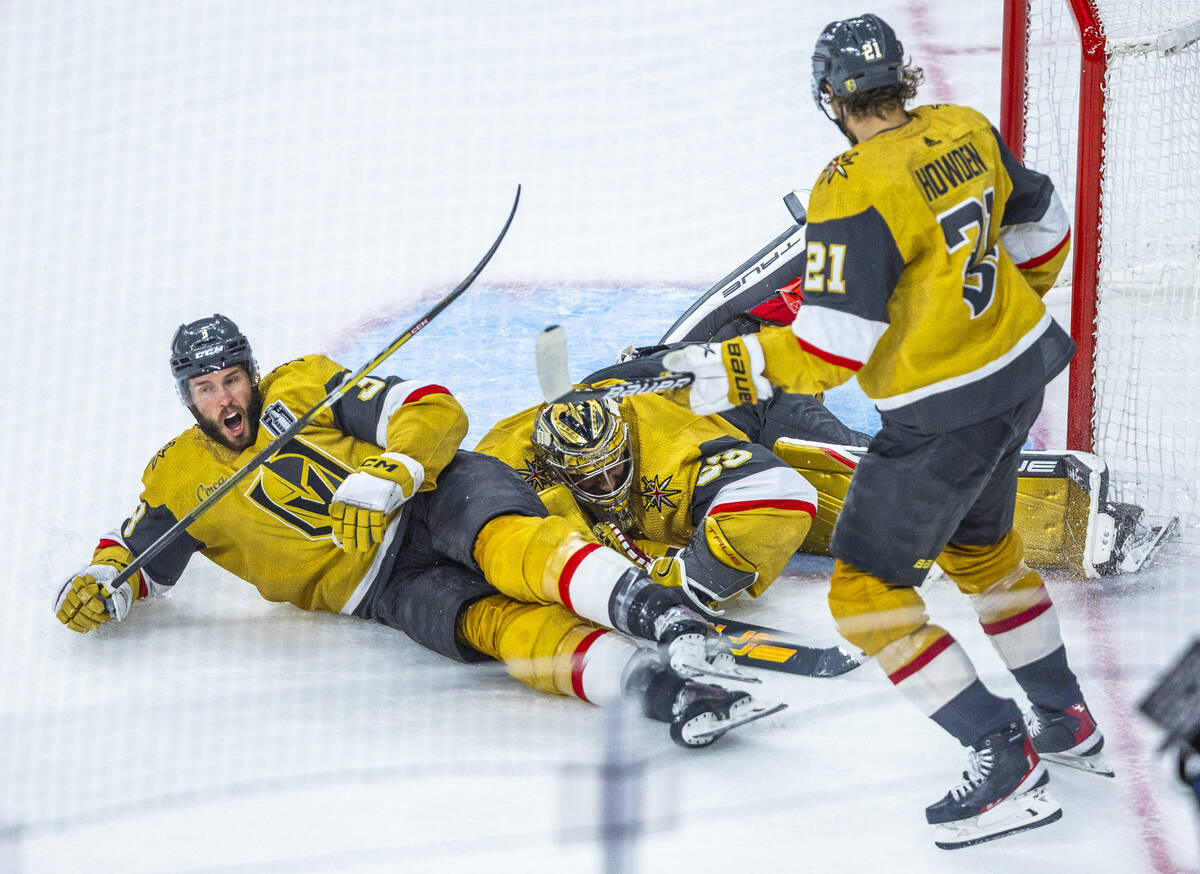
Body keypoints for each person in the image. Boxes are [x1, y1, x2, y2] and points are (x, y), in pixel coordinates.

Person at [662, 13, 1111, 846]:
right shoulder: (967, 129)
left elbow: (831, 352)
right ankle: (1067, 720)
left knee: (866, 595)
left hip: (943, 416)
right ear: (904, 79)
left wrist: (721, 370)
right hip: (1017, 381)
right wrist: (995, 314)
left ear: (830, 99)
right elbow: (1044, 230)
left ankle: (1005, 761)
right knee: (982, 554)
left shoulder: (853, 184)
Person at [52, 313, 781, 748]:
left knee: (511, 548)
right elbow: (141, 557)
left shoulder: (305, 383)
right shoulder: (181, 477)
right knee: (494, 628)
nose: (225, 398)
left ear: (251, 371)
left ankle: (669, 617)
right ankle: (673, 698)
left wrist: (394, 469)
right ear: (188, 398)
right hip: (381, 589)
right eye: (206, 389)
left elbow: (430, 405)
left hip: (434, 497)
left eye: (232, 379)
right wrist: (101, 583)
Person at [475, 390, 819, 612]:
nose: (610, 485)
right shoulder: (503, 463)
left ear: (626, 442)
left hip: (728, 396)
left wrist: (698, 576)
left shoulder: (669, 443)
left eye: (618, 465)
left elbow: (787, 489)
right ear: (556, 470)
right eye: (592, 478)